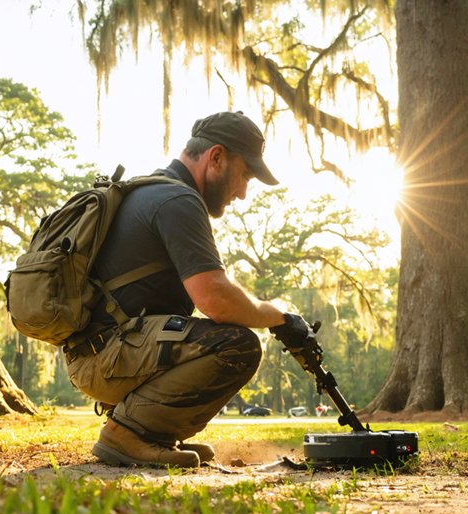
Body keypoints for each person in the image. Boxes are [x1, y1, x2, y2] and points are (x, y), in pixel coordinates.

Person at [64, 110, 312, 468]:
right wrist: (280, 317)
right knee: (237, 346)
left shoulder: (153, 188)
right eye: (244, 175)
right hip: (104, 357)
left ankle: (152, 432)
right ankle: (129, 433)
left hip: (96, 352)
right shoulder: (177, 201)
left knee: (210, 336)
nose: (242, 193)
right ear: (216, 157)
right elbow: (215, 298)